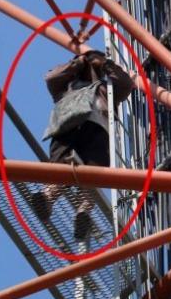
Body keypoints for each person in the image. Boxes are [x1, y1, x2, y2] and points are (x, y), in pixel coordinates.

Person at [30, 50, 133, 240]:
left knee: (91, 173)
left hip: (97, 127)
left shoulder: (106, 89)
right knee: (59, 168)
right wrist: (76, 63)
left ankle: (83, 212)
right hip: (66, 124)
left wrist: (105, 64)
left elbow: (127, 84)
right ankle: (47, 198)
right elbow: (51, 77)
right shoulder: (67, 86)